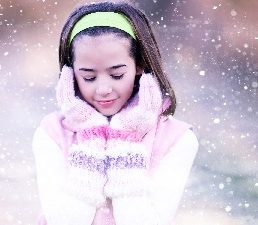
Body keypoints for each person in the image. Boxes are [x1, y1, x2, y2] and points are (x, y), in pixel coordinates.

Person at [32, 1, 199, 224]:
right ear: (70, 74)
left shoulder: (177, 140)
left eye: (117, 75)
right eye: (89, 77)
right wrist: (91, 144)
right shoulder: (51, 134)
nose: (103, 89)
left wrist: (124, 144)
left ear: (139, 64)